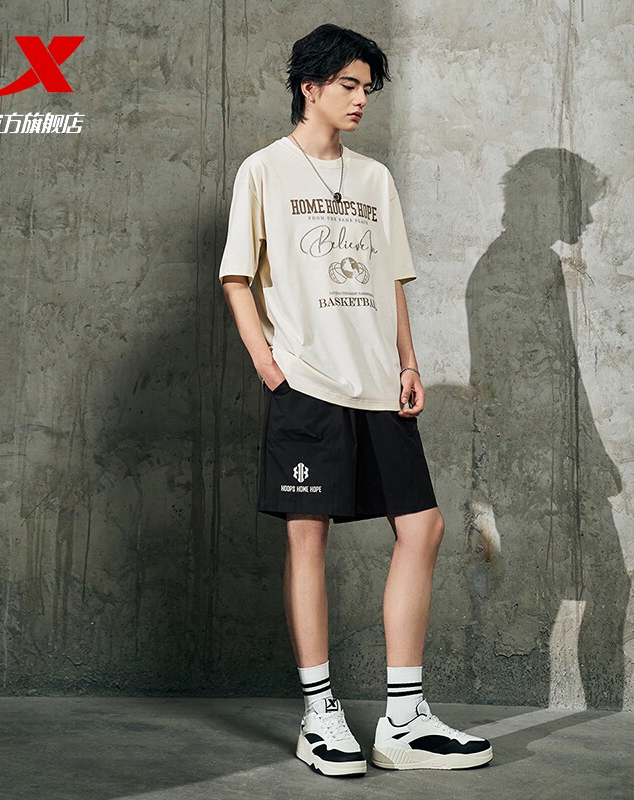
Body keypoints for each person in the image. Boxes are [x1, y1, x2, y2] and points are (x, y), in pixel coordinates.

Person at [218, 23, 493, 777]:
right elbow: (237, 276)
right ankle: (319, 715)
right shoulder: (263, 171)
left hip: (377, 382)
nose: (361, 98)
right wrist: (268, 365)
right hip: (305, 382)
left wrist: (409, 361)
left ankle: (403, 721)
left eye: (367, 87)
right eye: (348, 84)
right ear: (309, 87)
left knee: (423, 527)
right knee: (308, 538)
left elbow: (390, 280)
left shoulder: (374, 180)